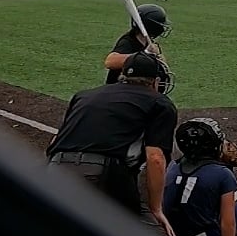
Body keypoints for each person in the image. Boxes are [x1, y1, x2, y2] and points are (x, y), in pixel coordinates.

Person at [45, 52, 178, 221]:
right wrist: (156, 209)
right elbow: (155, 158)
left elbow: (55, 141)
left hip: (56, 167)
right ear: (155, 81)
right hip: (102, 173)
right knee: (146, 232)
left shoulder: (83, 95)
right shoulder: (160, 102)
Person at [103, 3, 171, 88]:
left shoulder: (148, 43)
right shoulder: (127, 42)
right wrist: (146, 54)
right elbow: (110, 62)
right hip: (120, 91)